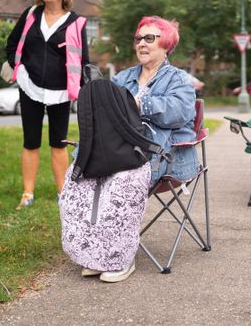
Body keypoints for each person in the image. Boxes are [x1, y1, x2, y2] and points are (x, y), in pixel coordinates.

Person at [80, 16, 199, 283]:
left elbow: (180, 112)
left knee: (122, 179)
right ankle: (98, 253)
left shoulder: (179, 79)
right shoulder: (123, 77)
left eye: (149, 38)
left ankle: (121, 258)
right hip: (122, 151)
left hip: (165, 156)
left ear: (166, 44)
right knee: (84, 177)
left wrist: (138, 104)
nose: (141, 44)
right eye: (138, 38)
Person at [6, 0, 89, 210]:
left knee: (58, 143)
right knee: (30, 141)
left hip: (61, 91)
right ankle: (27, 194)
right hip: (29, 86)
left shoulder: (76, 22)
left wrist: (86, 90)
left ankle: (63, 194)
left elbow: (83, 60)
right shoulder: (31, 15)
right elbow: (12, 43)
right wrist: (17, 65)